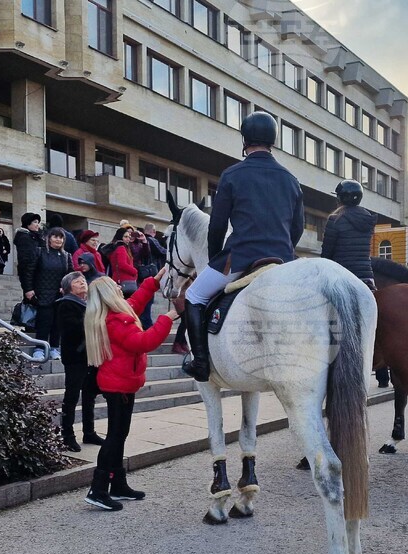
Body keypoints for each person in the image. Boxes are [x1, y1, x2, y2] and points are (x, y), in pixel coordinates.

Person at [181, 111, 305, 382]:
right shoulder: (290, 178)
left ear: (245, 139)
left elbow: (216, 226)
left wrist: (216, 258)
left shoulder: (232, 174)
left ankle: (200, 362)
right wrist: (283, 251)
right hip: (283, 258)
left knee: (194, 296)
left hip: (239, 257)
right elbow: (298, 227)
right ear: (272, 140)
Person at [83, 273, 179, 511]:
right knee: (115, 436)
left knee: (119, 434)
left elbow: (137, 300)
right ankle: (98, 488)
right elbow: (143, 342)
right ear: (108, 294)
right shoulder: (115, 321)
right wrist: (168, 317)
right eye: (114, 286)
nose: (118, 287)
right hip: (119, 385)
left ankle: (117, 484)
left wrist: (155, 280)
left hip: (122, 383)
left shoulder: (114, 313)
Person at [55, 271, 105, 452]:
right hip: (75, 356)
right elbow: (72, 330)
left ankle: (89, 432)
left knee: (89, 395)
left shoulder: (87, 303)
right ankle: (67, 435)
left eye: (83, 280)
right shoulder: (66, 304)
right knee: (72, 396)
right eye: (77, 281)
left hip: (90, 356)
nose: (82, 283)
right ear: (69, 287)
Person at [321, 180, 377, 289]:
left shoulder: (335, 219)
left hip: (341, 276)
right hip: (366, 277)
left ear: (340, 198)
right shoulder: (367, 218)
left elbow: (327, 253)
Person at [29, 227, 72, 361]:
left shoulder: (66, 256)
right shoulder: (39, 252)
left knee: (57, 323)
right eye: (55, 236)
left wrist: (65, 287)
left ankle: (54, 348)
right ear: (49, 238)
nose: (58, 239)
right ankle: (39, 348)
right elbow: (29, 271)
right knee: (44, 322)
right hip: (43, 293)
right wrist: (28, 289)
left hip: (60, 295)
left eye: (61, 237)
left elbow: (70, 274)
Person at [15, 212, 43, 303]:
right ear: (28, 223)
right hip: (31, 278)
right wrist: (28, 288)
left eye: (38, 222)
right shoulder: (25, 238)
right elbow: (25, 263)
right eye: (35, 222)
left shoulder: (35, 237)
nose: (37, 225)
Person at [107, 226, 139, 297]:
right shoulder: (121, 248)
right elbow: (122, 264)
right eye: (126, 237)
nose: (128, 239)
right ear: (120, 237)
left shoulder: (116, 247)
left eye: (129, 237)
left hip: (120, 280)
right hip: (124, 280)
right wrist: (135, 271)